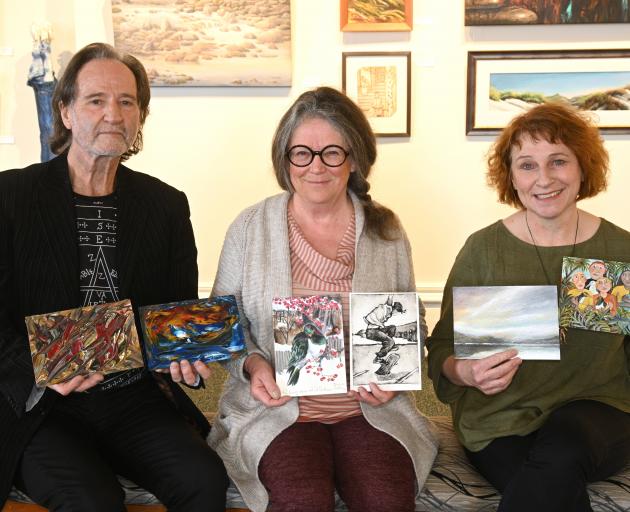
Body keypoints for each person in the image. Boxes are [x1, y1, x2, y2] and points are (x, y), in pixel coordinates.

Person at [0, 42, 227, 511]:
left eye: (127, 101)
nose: (114, 114)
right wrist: (42, 372)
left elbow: (173, 313)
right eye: (96, 100)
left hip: (133, 400)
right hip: (44, 409)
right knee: (92, 501)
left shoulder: (165, 205)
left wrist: (181, 357)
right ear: (65, 111)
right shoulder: (10, 196)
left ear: (140, 115)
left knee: (203, 479)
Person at [209, 86, 438, 512]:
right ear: (285, 159)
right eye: (302, 153)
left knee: (387, 501)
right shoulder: (250, 227)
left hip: (367, 411)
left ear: (353, 159)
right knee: (302, 500)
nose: (316, 167)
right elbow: (224, 324)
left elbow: (412, 322)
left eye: (332, 152)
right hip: (277, 411)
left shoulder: (385, 231)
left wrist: (394, 375)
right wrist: (253, 364)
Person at [426, 102, 630, 512]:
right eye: (527, 165)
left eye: (559, 161)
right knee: (546, 483)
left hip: (597, 410)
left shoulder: (619, 249)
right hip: (498, 418)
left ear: (582, 168)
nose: (545, 179)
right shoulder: (483, 249)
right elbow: (443, 348)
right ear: (511, 176)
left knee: (561, 453)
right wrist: (465, 371)